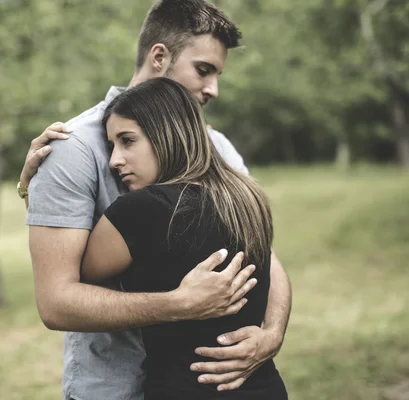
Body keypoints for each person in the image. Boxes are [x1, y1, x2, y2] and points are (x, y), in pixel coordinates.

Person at [23, 1, 292, 399]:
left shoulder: (216, 147)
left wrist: (270, 335)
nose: (213, 89)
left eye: (217, 74)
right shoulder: (71, 149)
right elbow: (57, 300)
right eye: (204, 70)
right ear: (160, 57)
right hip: (112, 388)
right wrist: (181, 304)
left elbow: (265, 257)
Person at [80, 76, 287, 399]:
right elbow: (274, 265)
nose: (114, 160)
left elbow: (74, 271)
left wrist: (32, 191)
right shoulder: (247, 197)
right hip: (264, 389)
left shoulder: (140, 210)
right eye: (111, 145)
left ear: (166, 133)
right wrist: (273, 333)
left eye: (127, 140)